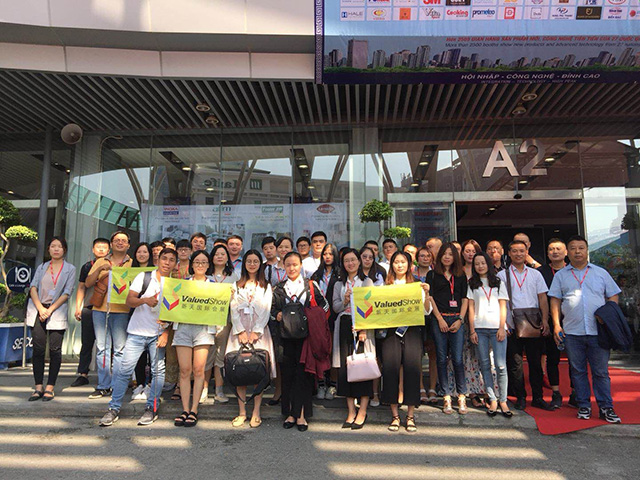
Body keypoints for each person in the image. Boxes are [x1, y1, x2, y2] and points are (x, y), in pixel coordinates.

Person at [99, 248, 177, 427]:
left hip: (158, 334)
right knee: (124, 370)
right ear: (158, 260)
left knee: (158, 372)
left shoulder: (176, 284)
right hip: (136, 332)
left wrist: (166, 333)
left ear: (175, 263)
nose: (167, 262)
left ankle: (152, 407)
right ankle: (113, 408)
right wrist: (145, 300)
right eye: (164, 258)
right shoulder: (144, 277)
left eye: (171, 260)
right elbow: (129, 300)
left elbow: (176, 313)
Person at [548, 235, 622, 423]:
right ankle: (583, 405)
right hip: (572, 332)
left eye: (581, 248)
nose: (577, 251)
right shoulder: (561, 275)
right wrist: (556, 324)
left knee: (601, 372)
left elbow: (613, 295)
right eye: (573, 248)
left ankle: (606, 407)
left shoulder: (600, 273)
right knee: (577, 371)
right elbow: (555, 300)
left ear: (587, 250)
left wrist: (608, 315)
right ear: (568, 252)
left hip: (598, 332)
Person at [272, 252, 329, 431]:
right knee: (287, 375)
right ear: (283, 266)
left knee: (303, 376)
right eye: (288, 264)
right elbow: (270, 310)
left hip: (306, 339)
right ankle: (290, 413)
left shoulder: (310, 285)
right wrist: (277, 315)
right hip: (285, 338)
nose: (292, 268)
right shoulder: (279, 288)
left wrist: (311, 317)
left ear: (301, 265)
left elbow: (325, 306)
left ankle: (302, 414)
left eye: (295, 264)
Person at [497, 240, 553, 411]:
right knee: (515, 364)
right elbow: (499, 301)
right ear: (509, 253)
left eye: (522, 251)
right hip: (512, 324)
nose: (518, 254)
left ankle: (538, 397)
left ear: (527, 252)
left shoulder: (536, 274)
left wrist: (545, 320)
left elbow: (542, 298)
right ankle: (520, 397)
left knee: (535, 362)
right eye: (514, 251)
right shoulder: (502, 275)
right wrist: (503, 323)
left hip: (533, 323)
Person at [382, 251, 432, 433]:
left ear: (410, 265)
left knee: (412, 371)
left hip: (412, 332)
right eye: (396, 262)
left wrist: (426, 294)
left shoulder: (416, 285)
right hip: (391, 333)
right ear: (392, 265)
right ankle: (395, 415)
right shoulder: (385, 286)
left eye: (403, 262)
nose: (400, 265)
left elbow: (426, 312)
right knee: (390, 371)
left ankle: (410, 416)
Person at [227, 250, 276, 428]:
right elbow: (233, 308)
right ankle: (242, 412)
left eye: (256, 261)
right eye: (249, 261)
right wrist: (240, 331)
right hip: (239, 332)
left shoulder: (265, 286)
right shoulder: (236, 285)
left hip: (259, 332)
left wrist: (256, 331)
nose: (252, 264)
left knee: (258, 371)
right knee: (239, 370)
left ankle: (256, 412)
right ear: (244, 264)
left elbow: (266, 309)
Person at [27, 237, 76, 402]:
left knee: (55, 350)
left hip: (56, 311)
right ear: (48, 249)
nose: (56, 249)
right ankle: (38, 387)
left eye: (59, 246)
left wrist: (50, 310)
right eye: (53, 246)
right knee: (38, 349)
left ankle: (50, 387)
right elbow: (33, 287)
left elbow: (67, 292)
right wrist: (41, 308)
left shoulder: (70, 269)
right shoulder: (42, 267)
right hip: (38, 310)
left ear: (64, 250)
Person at [85, 231, 133, 399]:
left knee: (120, 349)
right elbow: (88, 283)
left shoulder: (132, 263)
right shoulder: (101, 261)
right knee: (102, 348)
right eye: (117, 240)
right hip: (100, 310)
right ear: (111, 244)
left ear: (128, 245)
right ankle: (103, 385)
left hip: (122, 310)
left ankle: (117, 385)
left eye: (123, 240)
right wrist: (101, 270)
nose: (120, 243)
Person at [172, 250, 216, 428]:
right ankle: (184, 409)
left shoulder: (214, 286)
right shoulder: (182, 284)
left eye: (204, 262)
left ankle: (194, 409)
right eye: (197, 262)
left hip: (203, 330)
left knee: (199, 370)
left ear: (208, 265)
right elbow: (172, 303)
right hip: (183, 328)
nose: (200, 265)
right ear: (192, 264)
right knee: (184, 370)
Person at [331, 248, 374, 429]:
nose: (350, 263)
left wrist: (364, 329)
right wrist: (345, 301)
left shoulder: (367, 282)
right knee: (346, 369)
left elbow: (371, 307)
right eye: (347, 261)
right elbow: (335, 308)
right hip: (344, 326)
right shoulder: (338, 284)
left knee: (362, 368)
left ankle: (362, 411)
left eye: (353, 260)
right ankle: (350, 411)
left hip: (361, 328)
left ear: (359, 261)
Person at [467, 252, 511, 417]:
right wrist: (472, 330)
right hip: (479, 329)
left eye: (483, 263)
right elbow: (471, 308)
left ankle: (503, 400)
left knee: (500, 365)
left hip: (496, 328)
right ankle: (492, 398)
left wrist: (502, 327)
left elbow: (503, 306)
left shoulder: (498, 282)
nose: (480, 266)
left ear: (488, 264)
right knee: (484, 365)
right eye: (477, 264)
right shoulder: (472, 283)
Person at [427, 242, 468, 415]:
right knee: (441, 358)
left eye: (451, 254)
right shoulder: (432, 274)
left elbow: (465, 298)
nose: (447, 257)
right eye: (444, 254)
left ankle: (462, 395)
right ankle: (446, 396)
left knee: (457, 359)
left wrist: (460, 319)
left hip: (456, 319)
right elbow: (430, 298)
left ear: (455, 257)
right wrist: (439, 319)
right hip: (440, 319)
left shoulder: (460, 275)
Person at [70, 237, 109, 388]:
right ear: (93, 250)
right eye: (98, 247)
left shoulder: (112, 265)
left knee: (106, 344)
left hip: (107, 309)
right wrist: (78, 306)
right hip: (89, 307)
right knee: (87, 342)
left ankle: (106, 376)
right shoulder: (87, 266)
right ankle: (83, 374)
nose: (101, 249)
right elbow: (82, 287)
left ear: (109, 249)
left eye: (104, 247)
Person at [202, 244, 239, 404]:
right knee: (205, 356)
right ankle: (203, 389)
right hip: (205, 322)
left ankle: (219, 389)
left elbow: (238, 301)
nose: (219, 256)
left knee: (220, 356)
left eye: (223, 254)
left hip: (225, 322)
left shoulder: (234, 276)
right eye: (216, 254)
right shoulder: (205, 275)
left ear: (227, 258)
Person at [538, 238, 569, 409]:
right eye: (551, 249)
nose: (555, 252)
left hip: (572, 320)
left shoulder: (572, 271)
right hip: (550, 321)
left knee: (576, 360)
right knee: (552, 358)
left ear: (566, 252)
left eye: (558, 248)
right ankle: (556, 392)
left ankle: (576, 392)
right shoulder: (540, 272)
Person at [455, 239, 486, 408]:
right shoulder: (457, 271)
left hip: (480, 317)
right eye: (467, 251)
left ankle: (484, 390)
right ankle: (469, 391)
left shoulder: (483, 270)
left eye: (473, 251)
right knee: (464, 355)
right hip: (461, 318)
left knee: (480, 355)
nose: (470, 254)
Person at [310, 243, 341, 400]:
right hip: (318, 319)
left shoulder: (340, 274)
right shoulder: (316, 275)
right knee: (320, 351)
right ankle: (321, 383)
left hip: (334, 317)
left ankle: (333, 385)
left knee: (333, 352)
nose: (327, 257)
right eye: (325, 254)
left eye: (331, 254)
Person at [265, 237, 293, 406]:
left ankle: (291, 392)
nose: (283, 250)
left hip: (294, 318)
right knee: (277, 356)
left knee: (292, 357)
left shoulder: (295, 267)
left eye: (287, 247)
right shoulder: (269, 269)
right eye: (280, 247)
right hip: (275, 316)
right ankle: (278, 390)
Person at [415, 247, 438, 405]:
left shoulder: (436, 274)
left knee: (433, 354)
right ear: (417, 259)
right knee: (417, 355)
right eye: (422, 256)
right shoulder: (411, 275)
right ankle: (420, 387)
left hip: (432, 317)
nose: (425, 258)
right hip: (415, 318)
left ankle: (432, 387)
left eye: (428, 256)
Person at [131, 242, 153, 401]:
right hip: (135, 315)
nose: (142, 254)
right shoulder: (129, 271)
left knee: (152, 356)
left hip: (152, 318)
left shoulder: (155, 274)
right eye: (139, 251)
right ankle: (139, 383)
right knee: (139, 354)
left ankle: (150, 385)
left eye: (145, 252)